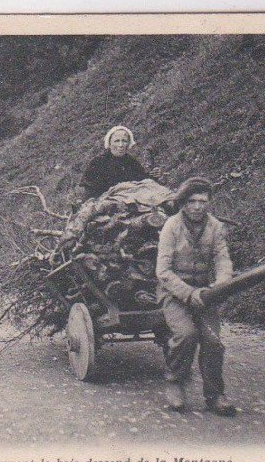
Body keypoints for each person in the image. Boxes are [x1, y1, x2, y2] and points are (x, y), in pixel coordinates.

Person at [155, 177, 236, 416]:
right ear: (183, 203)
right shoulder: (171, 226)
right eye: (192, 201)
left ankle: (215, 395)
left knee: (213, 342)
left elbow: (222, 259)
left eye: (203, 201)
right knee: (186, 335)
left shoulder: (216, 227)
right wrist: (188, 293)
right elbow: (163, 271)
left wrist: (221, 284)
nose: (198, 206)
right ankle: (175, 383)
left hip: (205, 292)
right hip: (173, 291)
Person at [76, 126, 152, 203]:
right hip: (106, 203)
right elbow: (89, 190)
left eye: (124, 141)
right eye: (117, 141)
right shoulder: (98, 162)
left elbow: (142, 181)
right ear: (109, 143)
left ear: (128, 143)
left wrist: (153, 176)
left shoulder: (132, 162)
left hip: (132, 201)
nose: (121, 145)